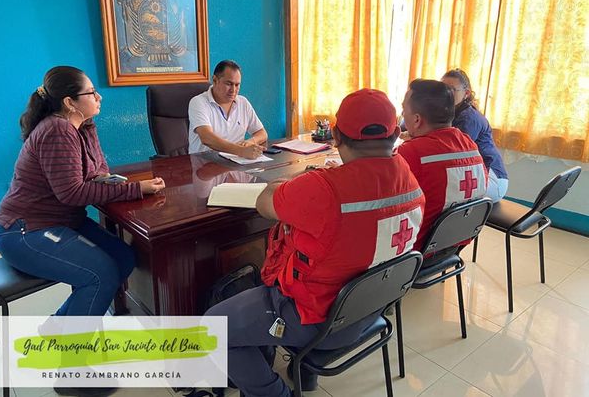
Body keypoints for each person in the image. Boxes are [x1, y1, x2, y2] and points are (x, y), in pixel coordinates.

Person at [205, 89, 425, 397]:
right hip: (369, 309)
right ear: (397, 134)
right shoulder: (410, 180)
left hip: (315, 318)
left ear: (336, 136)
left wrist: (303, 183)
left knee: (211, 328)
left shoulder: (322, 189)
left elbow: (265, 203)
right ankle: (302, 373)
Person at [0, 66, 166, 321]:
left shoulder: (80, 126)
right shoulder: (57, 129)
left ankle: (57, 328)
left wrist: (89, 128)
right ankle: (70, 343)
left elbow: (100, 171)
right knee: (101, 274)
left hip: (63, 222)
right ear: (70, 102)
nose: (99, 97)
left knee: (123, 258)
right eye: (92, 92)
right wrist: (136, 189)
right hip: (26, 230)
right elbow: (72, 193)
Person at [398, 79, 488, 252]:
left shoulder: (412, 152)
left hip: (416, 251)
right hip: (454, 243)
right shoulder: (469, 143)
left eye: (404, 109)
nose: (402, 113)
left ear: (417, 119)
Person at [442, 68, 508, 201]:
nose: (446, 94)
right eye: (443, 89)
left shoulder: (469, 118)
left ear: (466, 93)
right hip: (476, 173)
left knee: (439, 188)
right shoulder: (450, 112)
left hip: (493, 179)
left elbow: (453, 152)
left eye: (452, 90)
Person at [188, 60, 268, 159]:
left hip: (236, 162)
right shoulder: (198, 102)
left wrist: (249, 142)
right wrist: (240, 151)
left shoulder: (243, 102)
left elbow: (262, 133)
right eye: (229, 84)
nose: (233, 90)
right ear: (215, 80)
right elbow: (207, 138)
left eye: (237, 85)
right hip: (205, 163)